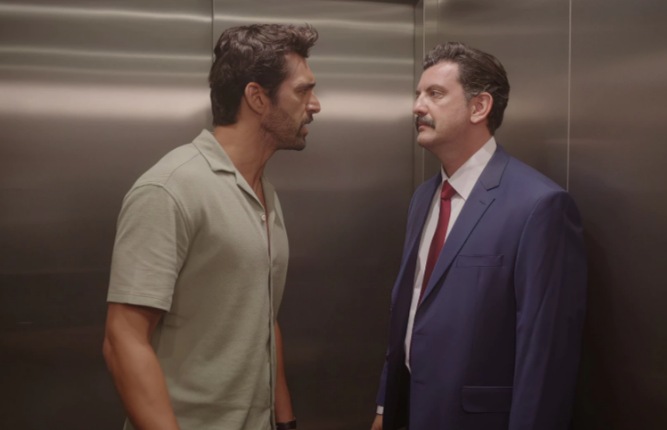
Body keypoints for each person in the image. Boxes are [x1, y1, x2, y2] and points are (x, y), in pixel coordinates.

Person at [102, 24, 321, 430]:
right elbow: (123, 340)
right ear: (257, 97)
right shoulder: (170, 188)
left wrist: (285, 419)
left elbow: (263, 316)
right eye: (302, 90)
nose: (316, 105)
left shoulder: (264, 194)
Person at [371, 42, 587, 430]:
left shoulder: (538, 206)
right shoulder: (423, 198)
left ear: (479, 107)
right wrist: (386, 406)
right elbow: (410, 311)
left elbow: (545, 353)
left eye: (435, 94)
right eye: (418, 94)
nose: (418, 106)